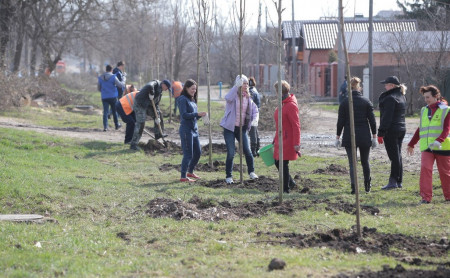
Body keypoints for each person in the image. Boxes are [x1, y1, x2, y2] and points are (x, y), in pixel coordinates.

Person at [406, 85, 450, 204]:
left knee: (445, 173)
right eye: (425, 97)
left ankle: (448, 196)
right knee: (425, 170)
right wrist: (411, 143)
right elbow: (421, 129)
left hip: (443, 147)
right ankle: (426, 198)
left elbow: (447, 129)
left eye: (428, 97)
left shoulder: (446, 110)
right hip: (427, 147)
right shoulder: (424, 110)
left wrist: (439, 140)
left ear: (436, 96)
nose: (426, 100)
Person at [336, 77, 377, 194]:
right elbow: (372, 121)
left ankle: (354, 187)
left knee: (352, 163)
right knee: (365, 161)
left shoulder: (345, 102)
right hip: (364, 136)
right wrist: (374, 137)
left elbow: (340, 122)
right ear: (359, 87)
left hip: (349, 136)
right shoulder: (366, 101)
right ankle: (367, 186)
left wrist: (337, 137)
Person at [220, 74, 259, 184]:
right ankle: (229, 176)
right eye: (243, 83)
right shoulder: (234, 96)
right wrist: (235, 87)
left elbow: (255, 110)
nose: (246, 85)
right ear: (239, 84)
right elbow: (227, 98)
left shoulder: (248, 97)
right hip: (230, 128)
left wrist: (255, 119)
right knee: (231, 152)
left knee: (247, 150)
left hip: (241, 128)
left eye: (247, 83)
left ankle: (251, 172)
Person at [377, 76, 407, 190]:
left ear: (392, 86)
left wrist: (381, 132)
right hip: (401, 129)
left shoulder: (390, 98)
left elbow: (387, 118)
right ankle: (399, 180)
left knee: (394, 157)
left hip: (391, 130)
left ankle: (393, 181)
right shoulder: (402, 96)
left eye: (387, 84)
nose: (385, 86)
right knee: (398, 155)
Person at [273, 80, 301, 193]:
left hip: (288, 140)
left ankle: (285, 189)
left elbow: (296, 125)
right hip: (280, 138)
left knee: (282, 163)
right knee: (277, 162)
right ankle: (290, 182)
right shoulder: (283, 103)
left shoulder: (291, 105)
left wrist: (296, 143)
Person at [177, 79, 207, 182]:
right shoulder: (182, 99)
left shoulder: (192, 100)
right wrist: (197, 114)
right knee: (188, 154)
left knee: (198, 152)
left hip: (194, 131)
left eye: (195, 89)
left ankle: (190, 171)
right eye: (192, 89)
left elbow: (193, 116)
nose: (194, 91)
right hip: (186, 130)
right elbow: (184, 115)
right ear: (186, 88)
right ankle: (183, 176)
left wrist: (201, 116)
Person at [129, 79, 171, 150]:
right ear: (163, 84)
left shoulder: (160, 92)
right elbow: (149, 85)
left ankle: (158, 134)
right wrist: (152, 92)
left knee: (159, 114)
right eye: (167, 88)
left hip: (147, 105)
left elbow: (156, 105)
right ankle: (133, 144)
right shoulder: (155, 83)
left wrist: (157, 117)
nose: (166, 90)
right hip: (140, 104)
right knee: (141, 123)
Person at [97, 64, 125, 132]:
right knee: (114, 111)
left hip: (104, 97)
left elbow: (99, 88)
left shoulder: (101, 77)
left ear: (106, 70)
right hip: (113, 97)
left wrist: (104, 91)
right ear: (112, 70)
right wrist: (124, 79)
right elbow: (120, 85)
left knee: (105, 112)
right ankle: (116, 125)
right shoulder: (113, 77)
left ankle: (105, 127)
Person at [248, 76, 261, 157]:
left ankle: (254, 151)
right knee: (255, 131)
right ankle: (257, 149)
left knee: (252, 132)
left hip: (252, 114)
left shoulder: (251, 92)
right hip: (256, 113)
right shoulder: (255, 90)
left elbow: (250, 103)